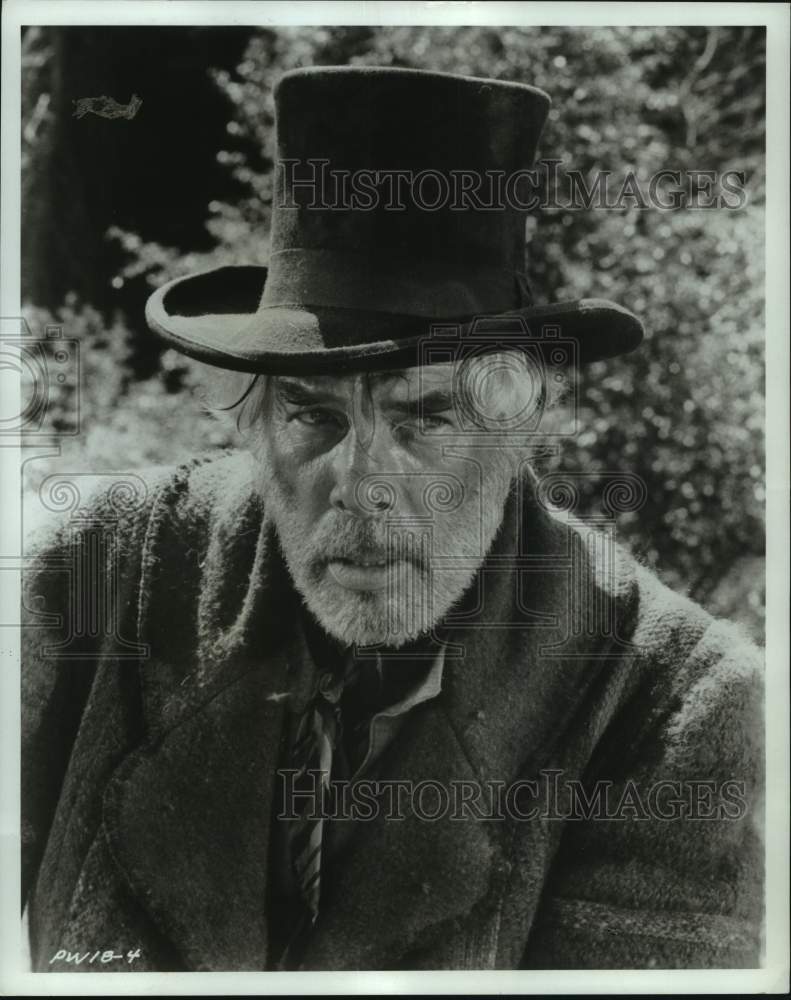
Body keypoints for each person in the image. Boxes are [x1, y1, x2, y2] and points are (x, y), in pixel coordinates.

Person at [21, 65, 763, 972]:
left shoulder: (674, 708)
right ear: (253, 423)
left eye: (425, 418)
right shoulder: (101, 575)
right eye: (313, 414)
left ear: (513, 429)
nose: (362, 481)